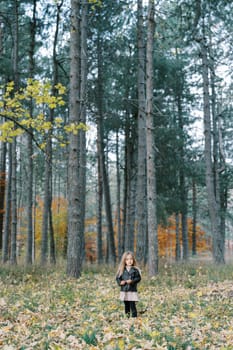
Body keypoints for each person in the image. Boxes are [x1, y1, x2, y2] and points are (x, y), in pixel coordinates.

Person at [116, 251, 141, 318]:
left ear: (133, 260)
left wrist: (132, 281)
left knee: (132, 305)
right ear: (124, 261)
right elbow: (118, 278)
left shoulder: (135, 270)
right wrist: (120, 282)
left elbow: (138, 278)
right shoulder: (122, 269)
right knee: (126, 305)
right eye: (127, 259)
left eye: (131, 259)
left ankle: (134, 318)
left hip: (132, 290)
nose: (129, 261)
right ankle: (127, 317)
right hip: (124, 290)